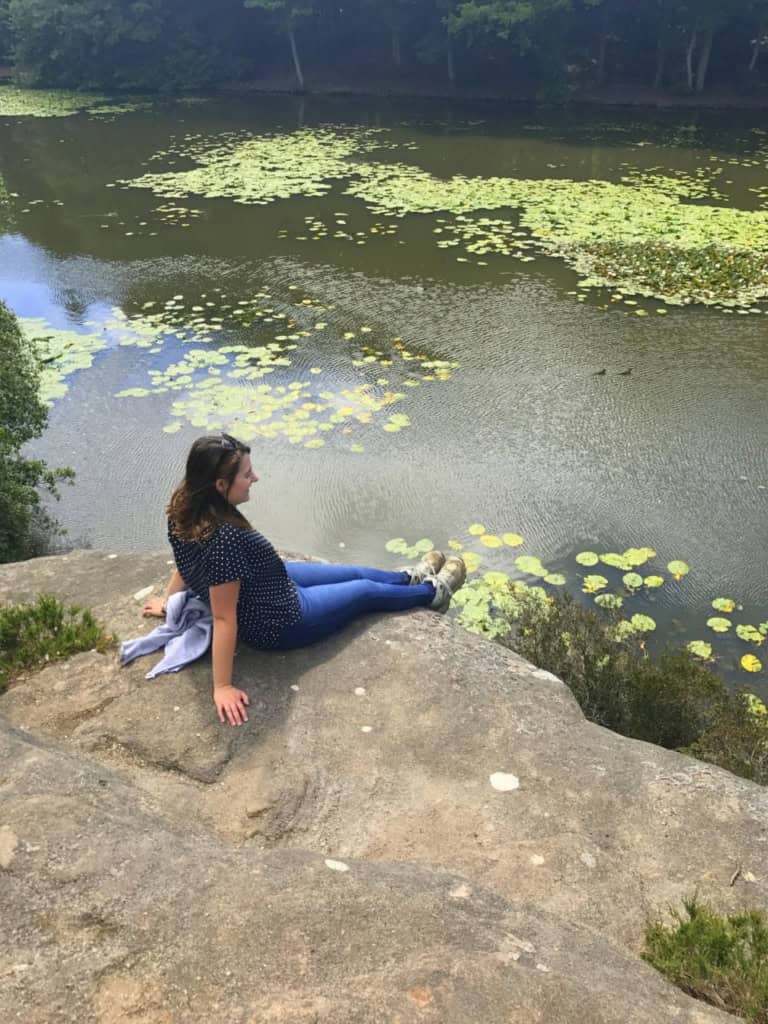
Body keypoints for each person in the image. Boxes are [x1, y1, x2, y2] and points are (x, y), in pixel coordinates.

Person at [142, 433, 466, 728]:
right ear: (220, 486)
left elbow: (185, 563)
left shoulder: (184, 506)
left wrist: (171, 602)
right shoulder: (223, 538)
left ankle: (407, 577)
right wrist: (222, 686)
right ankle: (431, 593)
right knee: (365, 592)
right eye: (246, 474)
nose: (255, 478)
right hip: (281, 618)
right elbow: (225, 618)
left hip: (269, 581)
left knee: (353, 572)